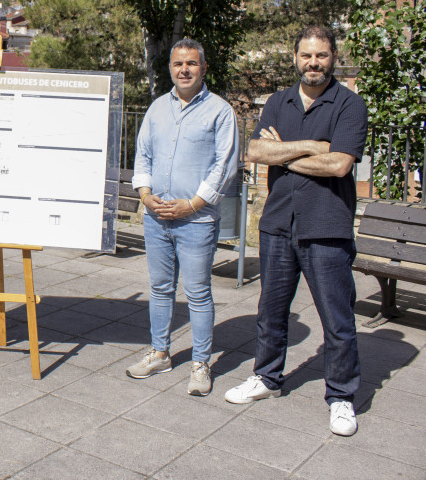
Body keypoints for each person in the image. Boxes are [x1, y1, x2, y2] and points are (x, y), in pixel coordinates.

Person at [224, 26, 367, 437]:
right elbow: (254, 151)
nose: (314, 63)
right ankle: (267, 378)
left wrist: (284, 152)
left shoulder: (349, 105)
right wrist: (314, 146)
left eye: (321, 55)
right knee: (271, 310)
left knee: (337, 319)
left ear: (333, 57)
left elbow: (339, 165)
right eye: (306, 55)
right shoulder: (278, 102)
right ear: (295, 57)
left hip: (327, 226)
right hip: (278, 223)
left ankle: (340, 396)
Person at [127, 38, 240, 397]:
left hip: (197, 220)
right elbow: (142, 156)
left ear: (203, 68)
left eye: (192, 63)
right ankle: (160, 352)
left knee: (197, 293)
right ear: (170, 68)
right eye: (178, 64)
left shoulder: (221, 112)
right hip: (157, 218)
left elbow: (225, 166)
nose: (184, 70)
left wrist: (192, 204)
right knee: (160, 289)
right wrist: (145, 196)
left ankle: (201, 363)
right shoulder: (157, 109)